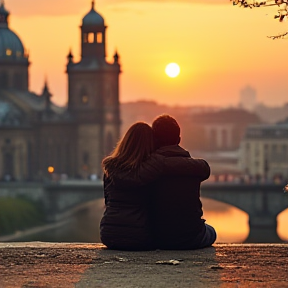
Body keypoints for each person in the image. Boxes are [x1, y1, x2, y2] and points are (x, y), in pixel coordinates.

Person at [100, 121, 211, 251]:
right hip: (139, 237)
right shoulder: (149, 171)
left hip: (108, 235)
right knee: (210, 230)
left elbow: (108, 202)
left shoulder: (110, 168)